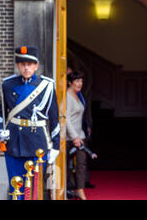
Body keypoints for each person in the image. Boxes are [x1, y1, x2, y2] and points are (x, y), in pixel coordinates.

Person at [0, 46, 60, 199]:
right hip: (13, 143)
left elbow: (54, 118)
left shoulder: (47, 86)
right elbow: (0, 114)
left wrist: (55, 146)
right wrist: (0, 131)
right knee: (15, 186)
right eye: (22, 64)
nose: (26, 67)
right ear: (18, 66)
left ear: (36, 66)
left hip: (37, 144)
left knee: (33, 189)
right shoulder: (7, 84)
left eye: (30, 64)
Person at [66, 71, 88, 200]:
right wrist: (74, 137)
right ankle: (66, 190)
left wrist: (80, 136)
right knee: (68, 166)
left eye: (81, 81)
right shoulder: (68, 97)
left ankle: (80, 190)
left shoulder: (77, 95)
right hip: (70, 138)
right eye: (77, 81)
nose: (80, 84)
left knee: (81, 164)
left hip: (80, 136)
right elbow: (66, 119)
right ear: (70, 82)